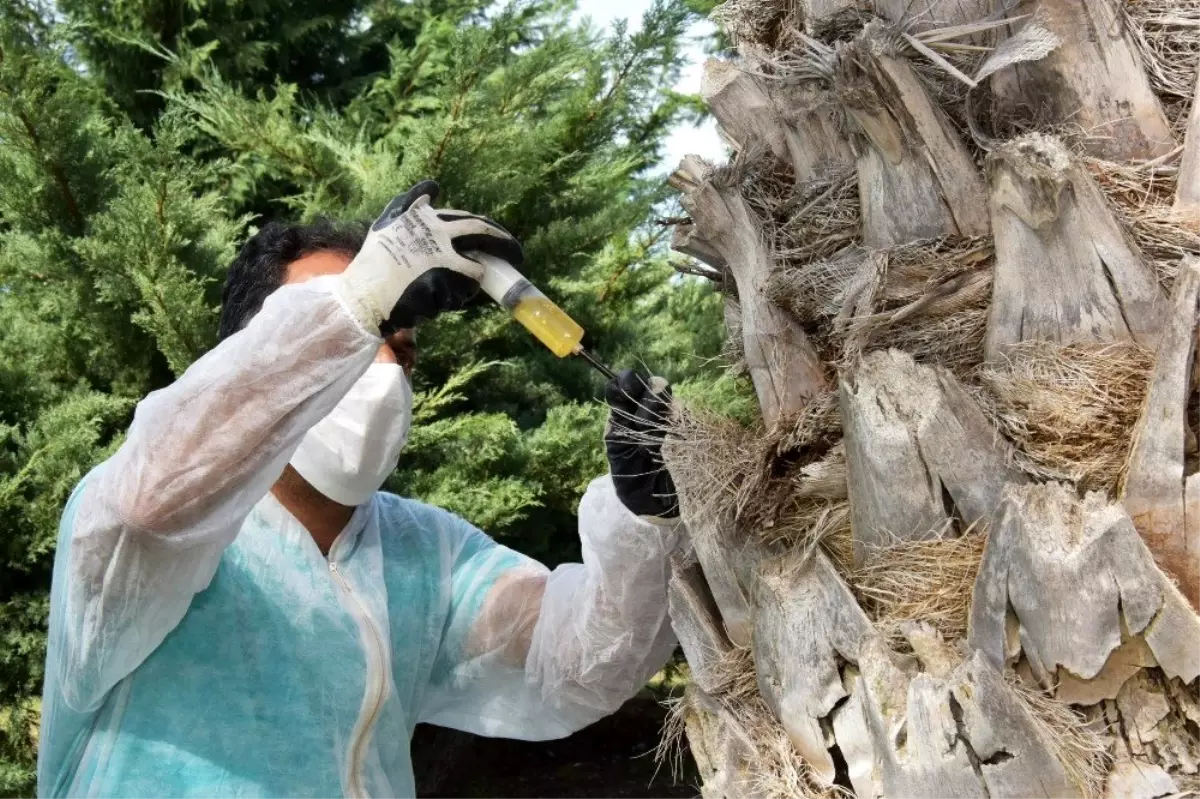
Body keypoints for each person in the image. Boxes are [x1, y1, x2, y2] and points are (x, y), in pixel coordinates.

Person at [36, 181, 682, 798]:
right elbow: (143, 511)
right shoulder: (155, 512)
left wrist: (643, 522)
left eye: (397, 347)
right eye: (347, 335)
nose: (378, 372)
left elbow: (574, 659)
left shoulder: (424, 552)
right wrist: (360, 297)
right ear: (251, 352)